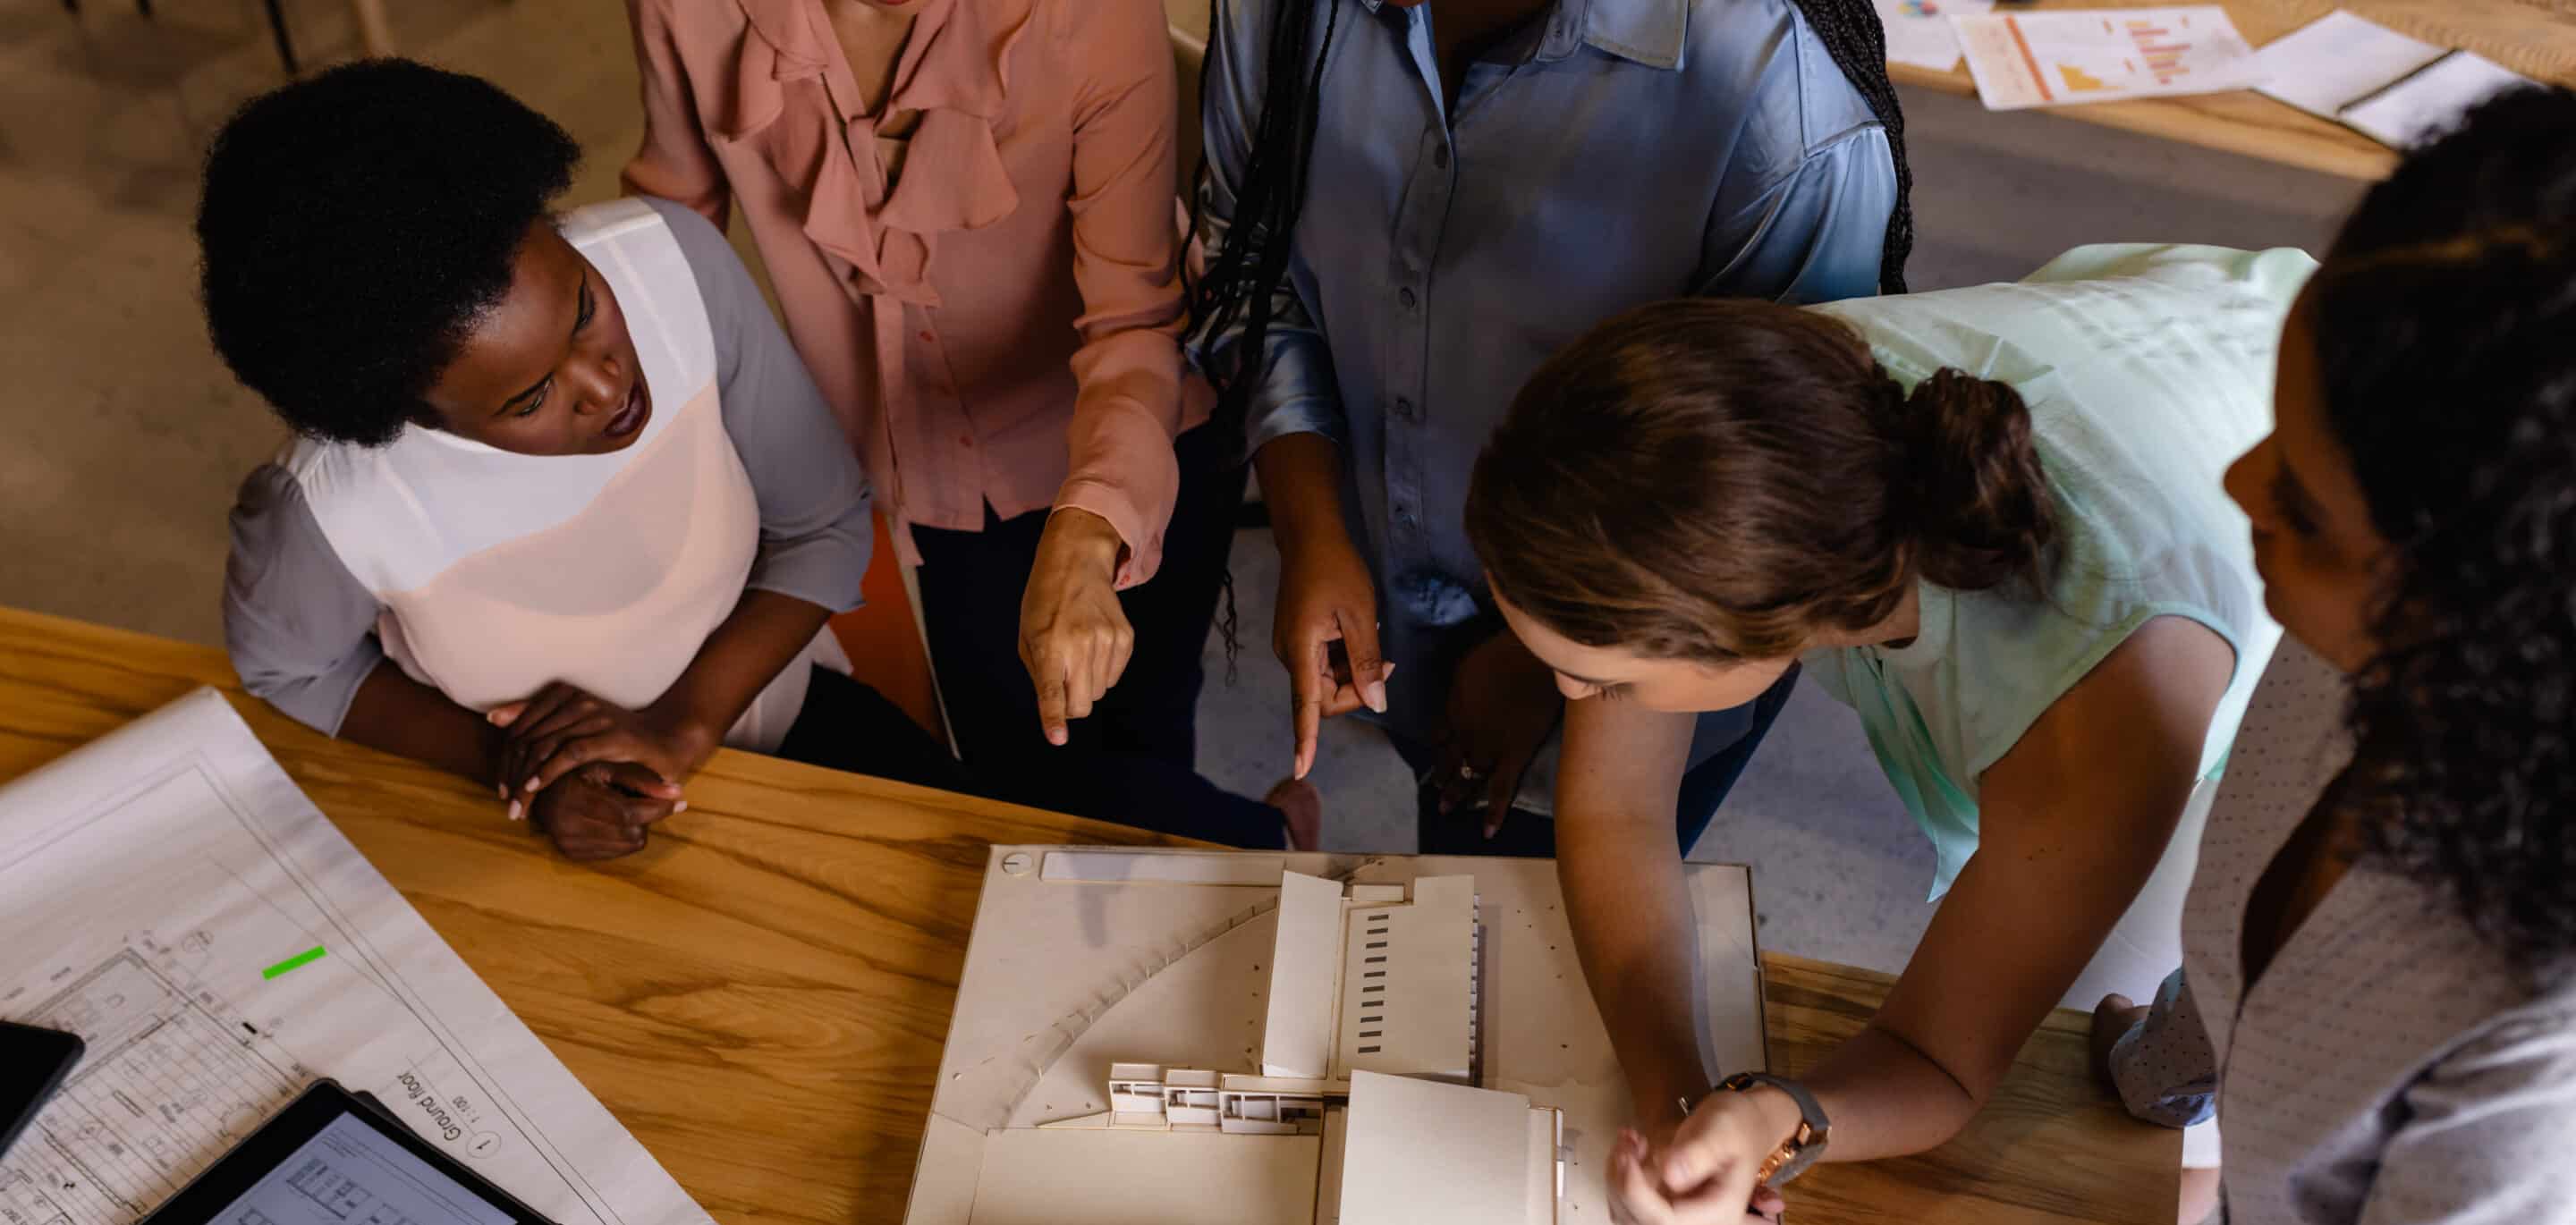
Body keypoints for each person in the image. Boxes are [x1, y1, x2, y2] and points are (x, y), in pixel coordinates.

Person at [1463, 242, 2308, 1225]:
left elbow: (1943, 1061)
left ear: (1772, 625)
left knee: (2141, 1110)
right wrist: (1672, 1095)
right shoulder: (1754, 445)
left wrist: (1786, 1119)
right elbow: (1615, 811)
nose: (1569, 696)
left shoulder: (2106, 705)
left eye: (1605, 680)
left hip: (2324, 494)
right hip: (2174, 362)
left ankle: (2187, 1209)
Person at [2089, 89, 2576, 1225]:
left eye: (2299, 502)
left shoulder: (2551, 1019)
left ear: (2492, 605)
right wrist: (2162, 1068)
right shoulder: (2376, 639)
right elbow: (2279, 964)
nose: (2240, 483)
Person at [1191, 0, 1912, 853]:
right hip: (1382, 577)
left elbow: (1773, 489)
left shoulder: (1781, 111)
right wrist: (1311, 528)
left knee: (1549, 905)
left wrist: (1545, 663)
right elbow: (1247, 257)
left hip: (1635, 643)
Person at [204, 60, 964, 864]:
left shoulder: (677, 266)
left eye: (586, 309)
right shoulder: (329, 508)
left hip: (785, 717)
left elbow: (825, 524)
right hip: (543, 822)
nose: (605, 385)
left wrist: (683, 724)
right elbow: (293, 672)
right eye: (530, 400)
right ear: (411, 419)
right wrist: (513, 768)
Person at [623, 0, 1313, 849]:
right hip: (929, 473)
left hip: (1144, 435)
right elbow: (673, 232)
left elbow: (1134, 319)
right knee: (1010, 779)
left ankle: (1259, 840)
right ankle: (1264, 834)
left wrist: (1093, 524)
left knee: (1143, 733)